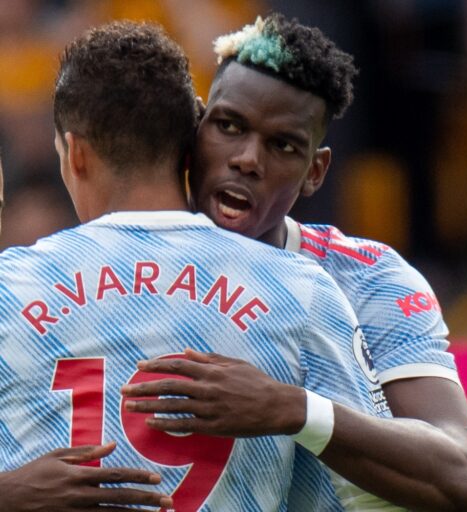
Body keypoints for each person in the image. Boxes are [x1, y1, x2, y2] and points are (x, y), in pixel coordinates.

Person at [0, 20, 396, 511]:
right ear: (189, 147)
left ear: (75, 154)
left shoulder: (10, 287)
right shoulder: (302, 290)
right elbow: (380, 499)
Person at [121, 14, 467, 511]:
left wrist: (291, 408)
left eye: (283, 145)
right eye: (229, 126)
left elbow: (461, 475)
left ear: (315, 171)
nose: (248, 159)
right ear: (195, 132)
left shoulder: (370, 280)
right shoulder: (119, 269)